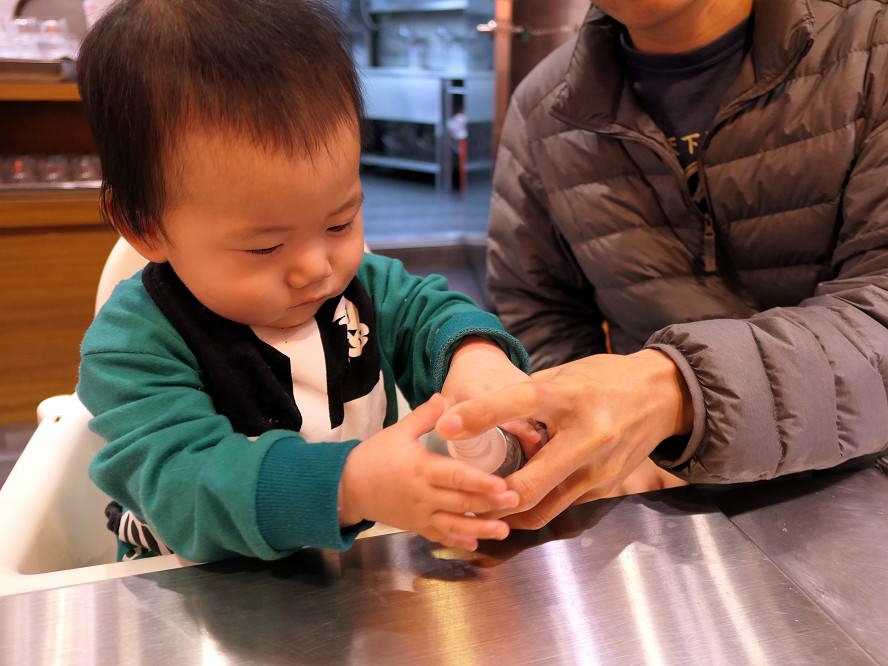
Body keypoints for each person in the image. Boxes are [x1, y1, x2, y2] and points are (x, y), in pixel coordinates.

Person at [436, 0, 888, 529]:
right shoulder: (545, 107)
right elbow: (539, 309)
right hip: (663, 498)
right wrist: (578, 437)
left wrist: (676, 393)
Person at [75, 0, 541, 562]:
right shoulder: (134, 348)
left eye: (340, 221)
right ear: (146, 227)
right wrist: (347, 486)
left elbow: (427, 314)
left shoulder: (356, 286)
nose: (316, 268)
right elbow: (183, 487)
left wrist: (474, 357)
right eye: (265, 246)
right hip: (194, 588)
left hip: (351, 572)